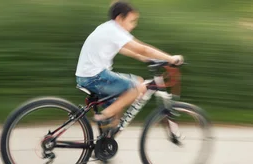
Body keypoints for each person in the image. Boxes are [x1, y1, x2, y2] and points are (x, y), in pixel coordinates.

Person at [75, 1, 184, 132]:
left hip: (90, 75)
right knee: (137, 88)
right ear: (120, 18)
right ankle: (104, 115)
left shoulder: (108, 28)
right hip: (95, 77)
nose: (134, 25)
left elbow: (124, 49)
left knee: (137, 82)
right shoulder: (114, 30)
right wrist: (170, 58)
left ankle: (105, 139)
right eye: (132, 21)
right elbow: (142, 48)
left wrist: (144, 58)